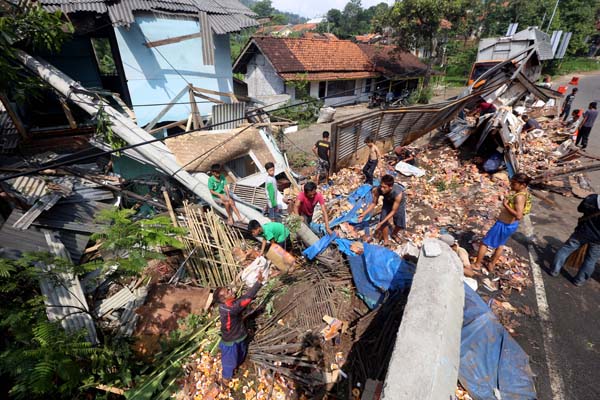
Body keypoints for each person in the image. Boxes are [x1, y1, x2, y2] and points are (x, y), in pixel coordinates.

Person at [474, 173, 532, 272]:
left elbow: (518, 215)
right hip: (510, 225)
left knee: (484, 243)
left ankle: (477, 264)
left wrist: (505, 205)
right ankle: (491, 264)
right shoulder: (525, 193)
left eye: (514, 184)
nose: (511, 185)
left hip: (504, 224)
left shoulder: (519, 197)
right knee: (500, 244)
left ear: (523, 185)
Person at [215, 275, 264, 384]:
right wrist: (258, 283)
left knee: (242, 352)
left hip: (239, 335)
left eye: (228, 289)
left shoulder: (225, 305)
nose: (230, 290)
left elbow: (240, 300)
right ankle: (225, 380)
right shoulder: (230, 308)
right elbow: (246, 299)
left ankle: (239, 363)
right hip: (231, 341)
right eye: (228, 291)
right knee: (229, 362)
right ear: (223, 299)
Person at [550, 193, 600, 286]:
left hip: (582, 232)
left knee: (566, 249)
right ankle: (579, 281)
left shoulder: (592, 198)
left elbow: (580, 209)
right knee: (591, 260)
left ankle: (554, 271)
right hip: (598, 240)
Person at [358, 174, 406, 246]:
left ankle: (394, 234)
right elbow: (374, 203)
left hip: (398, 204)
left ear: (390, 187)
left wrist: (381, 223)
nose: (382, 189)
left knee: (400, 223)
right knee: (383, 222)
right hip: (387, 202)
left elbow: (393, 211)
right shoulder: (378, 190)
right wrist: (363, 214)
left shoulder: (398, 194)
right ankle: (386, 241)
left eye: (384, 187)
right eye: (381, 186)